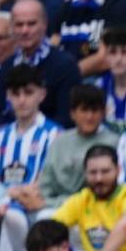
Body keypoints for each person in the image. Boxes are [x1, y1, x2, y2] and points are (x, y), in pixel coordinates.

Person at [51, 144, 126, 251]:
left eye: (105, 171)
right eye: (93, 173)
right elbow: (51, 228)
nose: (99, 179)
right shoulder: (82, 199)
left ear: (118, 170)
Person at [0, 0, 82, 129]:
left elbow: (66, 118)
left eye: (31, 24)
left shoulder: (65, 65)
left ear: (44, 25)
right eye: (19, 25)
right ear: (12, 28)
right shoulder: (7, 64)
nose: (25, 30)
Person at [21, 85, 116, 215]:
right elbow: (45, 186)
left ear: (103, 113)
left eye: (94, 110)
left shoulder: (114, 142)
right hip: (55, 207)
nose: (89, 116)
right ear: (72, 113)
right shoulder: (60, 142)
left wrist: (48, 204)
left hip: (95, 210)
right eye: (84, 110)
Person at [0, 64, 58, 193]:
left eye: (28, 93)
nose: (21, 100)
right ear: (8, 96)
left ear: (42, 94)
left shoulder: (55, 134)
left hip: (37, 208)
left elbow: (49, 183)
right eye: (16, 94)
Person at [57, 0, 126, 77]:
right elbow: (54, 45)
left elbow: (106, 58)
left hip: (97, 79)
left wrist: (65, 76)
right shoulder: (66, 7)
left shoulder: (119, 4)